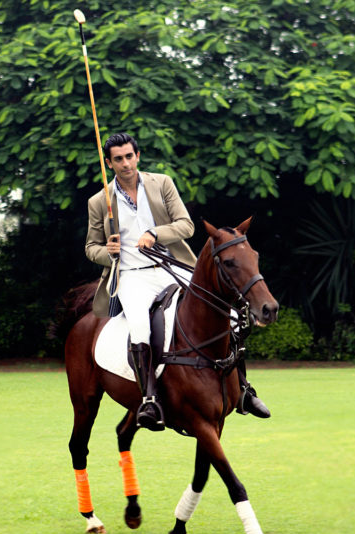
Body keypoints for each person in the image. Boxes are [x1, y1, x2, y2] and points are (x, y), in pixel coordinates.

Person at [84, 133, 268, 431]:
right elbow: (90, 248)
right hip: (132, 275)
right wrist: (108, 252)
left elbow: (186, 225)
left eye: (129, 156)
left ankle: (244, 388)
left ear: (138, 156)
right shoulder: (99, 202)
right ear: (109, 163)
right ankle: (149, 400)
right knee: (141, 327)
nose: (125, 163)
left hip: (173, 266)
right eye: (118, 159)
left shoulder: (162, 183)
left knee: (231, 315)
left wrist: (155, 234)